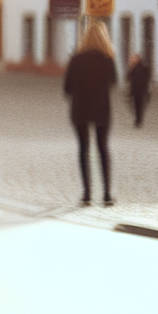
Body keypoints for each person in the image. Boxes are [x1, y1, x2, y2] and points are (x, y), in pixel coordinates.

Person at [64, 22, 117, 206]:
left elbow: (67, 88)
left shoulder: (76, 59)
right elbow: (114, 81)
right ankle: (107, 194)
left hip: (80, 108)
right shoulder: (108, 58)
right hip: (102, 109)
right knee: (103, 148)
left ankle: (87, 194)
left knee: (83, 149)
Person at [127, 53, 151, 127]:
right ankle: (138, 119)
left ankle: (138, 120)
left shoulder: (141, 68)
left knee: (138, 105)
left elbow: (146, 78)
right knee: (137, 105)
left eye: (133, 59)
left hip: (139, 89)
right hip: (137, 89)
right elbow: (128, 77)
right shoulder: (136, 68)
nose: (132, 60)